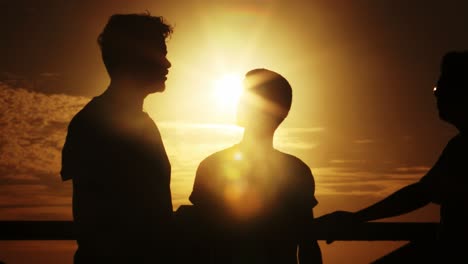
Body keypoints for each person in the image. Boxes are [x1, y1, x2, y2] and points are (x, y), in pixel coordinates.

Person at [316, 51, 468, 262]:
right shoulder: (458, 145)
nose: (436, 94)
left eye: (440, 88)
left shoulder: (462, 148)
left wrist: (357, 218)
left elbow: (421, 194)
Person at [61, 13, 173, 263]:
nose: (167, 64)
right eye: (160, 53)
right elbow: (96, 220)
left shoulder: (140, 123)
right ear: (134, 58)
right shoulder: (94, 124)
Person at [189, 69, 322, 263]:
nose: (238, 103)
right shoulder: (298, 171)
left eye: (246, 97)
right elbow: (308, 245)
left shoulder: (212, 166)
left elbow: (198, 244)